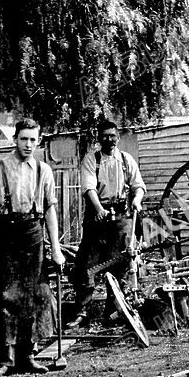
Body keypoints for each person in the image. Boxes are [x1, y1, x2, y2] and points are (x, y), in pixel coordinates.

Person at [0, 118, 66, 376]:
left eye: (33, 140)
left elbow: (50, 211)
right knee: (5, 296)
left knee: (36, 296)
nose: (28, 144)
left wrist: (56, 249)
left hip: (33, 236)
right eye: (24, 139)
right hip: (6, 236)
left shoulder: (43, 171)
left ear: (38, 141)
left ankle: (28, 355)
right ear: (14, 139)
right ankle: (4, 359)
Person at [69, 120, 146, 327]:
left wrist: (137, 199)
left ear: (118, 138)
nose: (109, 140)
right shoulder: (91, 160)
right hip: (97, 215)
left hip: (121, 216)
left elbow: (138, 185)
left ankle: (113, 311)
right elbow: (89, 188)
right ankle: (82, 311)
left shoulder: (125, 159)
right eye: (105, 136)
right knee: (88, 262)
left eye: (112, 136)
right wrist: (99, 209)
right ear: (99, 138)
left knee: (120, 262)